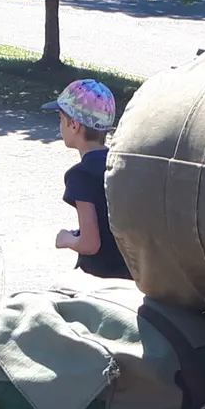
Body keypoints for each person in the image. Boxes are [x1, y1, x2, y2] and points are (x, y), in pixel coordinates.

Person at [46, 78, 130, 280]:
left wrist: (66, 239)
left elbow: (90, 244)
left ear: (73, 124)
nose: (61, 126)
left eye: (61, 118)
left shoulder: (81, 175)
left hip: (100, 278)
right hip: (129, 272)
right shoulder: (119, 163)